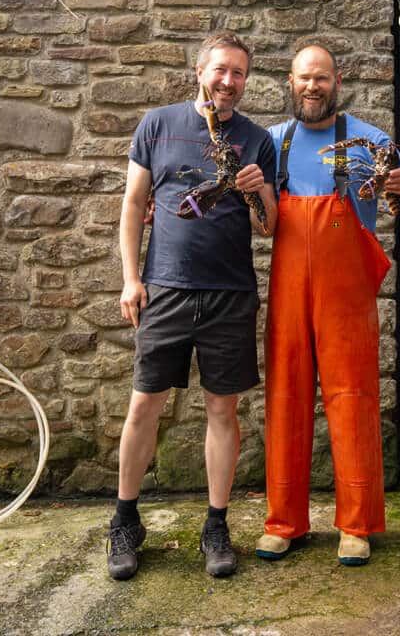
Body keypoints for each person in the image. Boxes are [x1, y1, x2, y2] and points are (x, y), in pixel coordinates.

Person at [107, 31, 277, 581]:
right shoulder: (157, 125)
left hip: (230, 293)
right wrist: (132, 279)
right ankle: (125, 522)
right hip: (166, 289)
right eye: (221, 70)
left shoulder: (257, 140)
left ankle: (216, 525)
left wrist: (258, 191)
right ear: (200, 71)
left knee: (223, 410)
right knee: (143, 406)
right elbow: (134, 205)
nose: (229, 81)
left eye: (239, 74)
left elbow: (268, 226)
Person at [255, 43, 400, 567]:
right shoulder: (271, 144)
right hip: (288, 293)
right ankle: (283, 522)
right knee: (284, 395)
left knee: (352, 399)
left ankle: (355, 525)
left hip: (346, 295)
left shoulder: (369, 141)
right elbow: (254, 217)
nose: (314, 87)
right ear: (291, 81)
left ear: (337, 81)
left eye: (323, 78)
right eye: (305, 78)